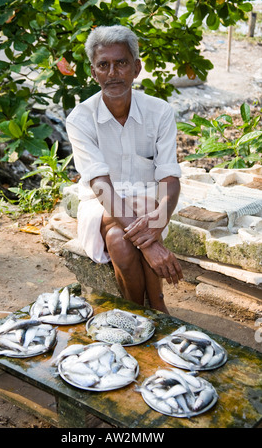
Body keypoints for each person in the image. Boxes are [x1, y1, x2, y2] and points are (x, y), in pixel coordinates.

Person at [66, 25, 183, 313]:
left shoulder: (160, 112)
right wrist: (150, 244)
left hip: (150, 210)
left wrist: (160, 219)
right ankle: (156, 308)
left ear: (136, 68)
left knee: (120, 239)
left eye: (121, 63)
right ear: (94, 73)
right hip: (100, 205)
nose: (112, 73)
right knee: (126, 216)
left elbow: (169, 176)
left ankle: (139, 311)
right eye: (103, 65)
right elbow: (101, 187)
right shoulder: (81, 118)